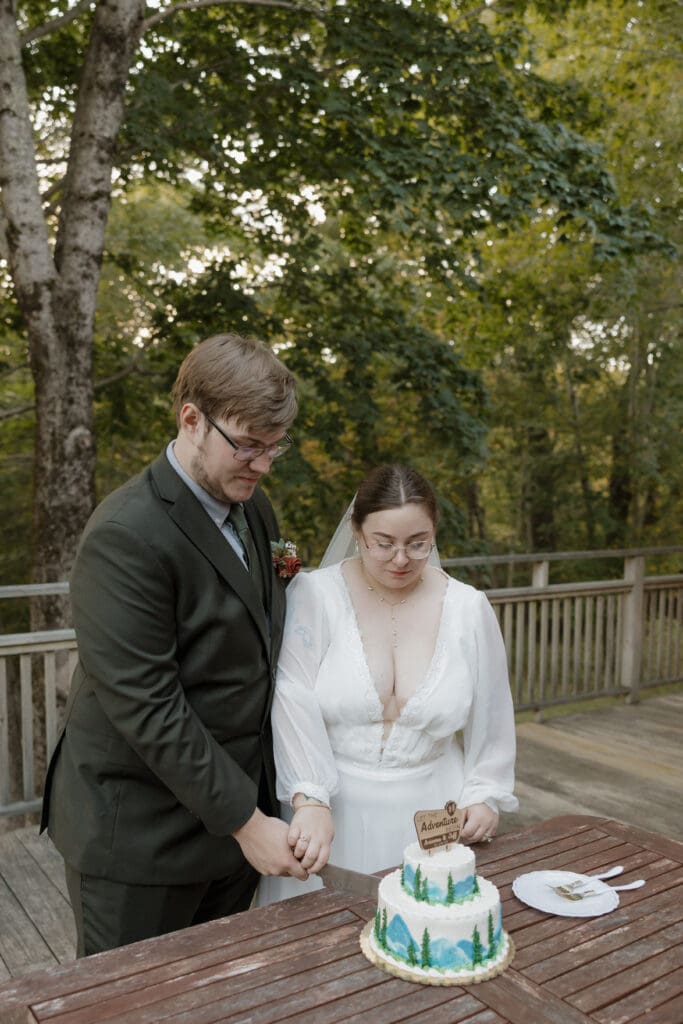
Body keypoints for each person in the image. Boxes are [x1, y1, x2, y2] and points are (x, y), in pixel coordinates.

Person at [41, 332, 309, 955]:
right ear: (191, 419)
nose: (263, 465)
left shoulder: (253, 507)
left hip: (235, 831)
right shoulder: (125, 534)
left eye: (275, 449)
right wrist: (247, 821)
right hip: (139, 840)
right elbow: (148, 706)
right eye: (248, 446)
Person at [258, 464, 517, 905]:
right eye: (384, 544)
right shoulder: (314, 595)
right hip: (328, 814)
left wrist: (485, 796)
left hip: (436, 813)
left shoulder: (469, 609)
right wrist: (310, 797)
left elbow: (491, 714)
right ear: (357, 532)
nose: (401, 560)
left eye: (418, 544)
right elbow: (291, 693)